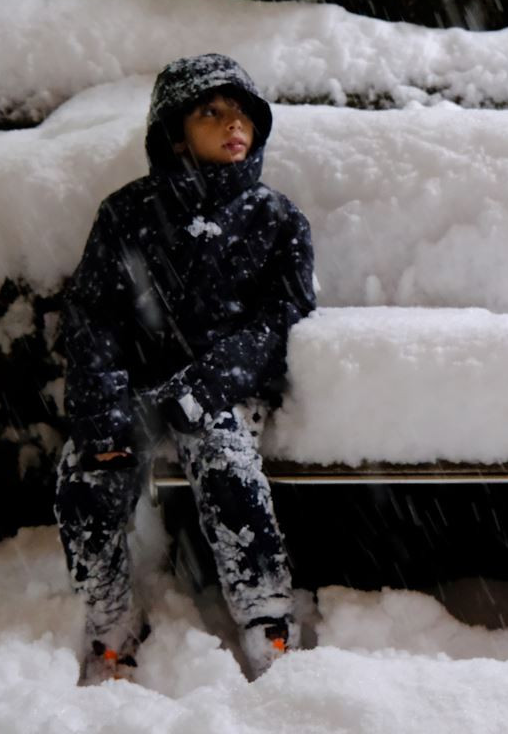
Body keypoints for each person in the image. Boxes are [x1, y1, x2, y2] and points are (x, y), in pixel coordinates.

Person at [55, 53, 316, 684]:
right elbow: (93, 316)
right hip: (139, 390)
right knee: (87, 475)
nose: (234, 125)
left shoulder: (275, 219)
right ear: (175, 132)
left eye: (244, 113)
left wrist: (215, 379)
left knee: (228, 466)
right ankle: (110, 614)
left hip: (223, 393)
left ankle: (266, 616)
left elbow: (282, 317)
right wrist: (105, 404)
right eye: (212, 112)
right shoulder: (128, 215)